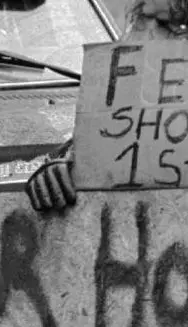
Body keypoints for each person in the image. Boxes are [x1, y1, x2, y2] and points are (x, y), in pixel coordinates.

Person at [26, 0, 186, 211]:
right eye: (143, 22)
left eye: (172, 29)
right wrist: (63, 171)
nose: (147, 36)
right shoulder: (124, 110)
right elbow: (97, 150)